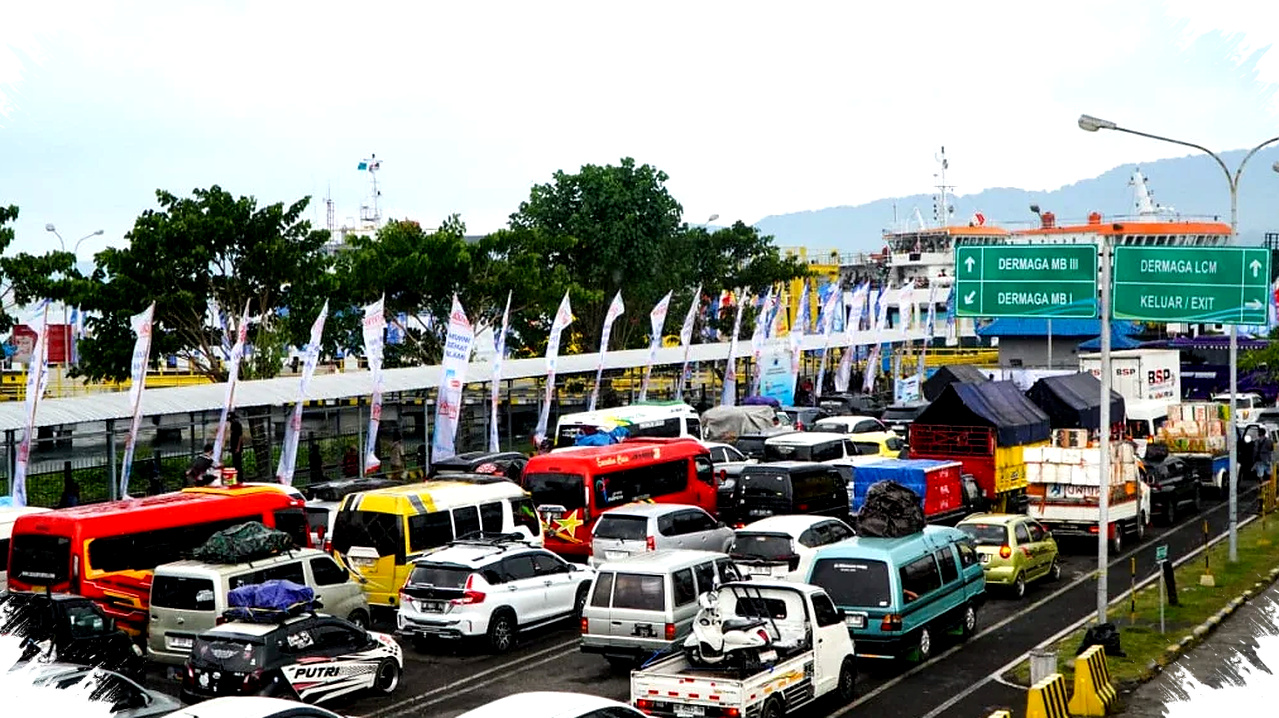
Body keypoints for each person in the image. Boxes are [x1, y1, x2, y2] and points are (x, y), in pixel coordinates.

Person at [229, 413, 245, 479]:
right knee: (235, 463)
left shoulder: (237, 424)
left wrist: (238, 447)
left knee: (238, 463)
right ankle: (237, 476)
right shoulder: (233, 425)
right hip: (234, 446)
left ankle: (240, 477)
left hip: (237, 447)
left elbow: (240, 436)